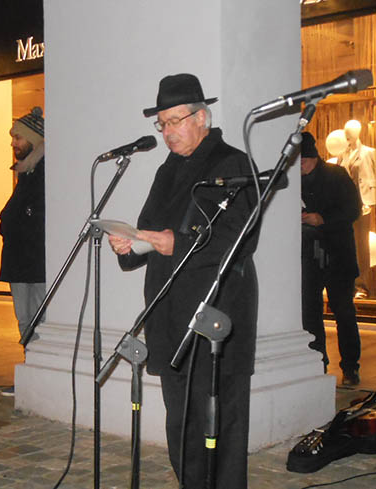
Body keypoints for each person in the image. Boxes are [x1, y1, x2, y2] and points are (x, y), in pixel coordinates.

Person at [107, 74, 259, 488]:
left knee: (220, 423)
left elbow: (239, 237)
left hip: (216, 313)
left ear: (202, 117)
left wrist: (178, 242)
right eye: (163, 124)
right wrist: (131, 244)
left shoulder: (232, 163)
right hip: (170, 314)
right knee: (181, 422)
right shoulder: (166, 169)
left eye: (176, 121)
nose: (169, 131)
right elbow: (150, 231)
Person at [301, 131, 362, 386]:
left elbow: (353, 210)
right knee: (310, 314)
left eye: (303, 162)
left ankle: (350, 368)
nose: (300, 168)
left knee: (344, 312)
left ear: (313, 158)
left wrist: (322, 219)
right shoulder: (295, 181)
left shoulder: (337, 175)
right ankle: (319, 366)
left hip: (338, 255)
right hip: (308, 257)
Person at [0, 106, 45, 396]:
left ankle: (40, 374)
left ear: (34, 139)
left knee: (40, 319)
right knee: (25, 319)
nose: (13, 143)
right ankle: (31, 371)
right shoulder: (26, 172)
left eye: (18, 137)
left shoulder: (43, 172)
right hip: (19, 260)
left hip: (36, 262)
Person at [337, 120, 376, 299]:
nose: (348, 134)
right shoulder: (342, 154)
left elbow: (372, 177)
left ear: (358, 132)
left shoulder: (368, 152)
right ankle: (348, 283)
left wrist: (370, 201)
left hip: (362, 204)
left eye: (351, 131)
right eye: (346, 131)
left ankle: (362, 285)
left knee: (361, 245)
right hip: (346, 204)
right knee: (347, 244)